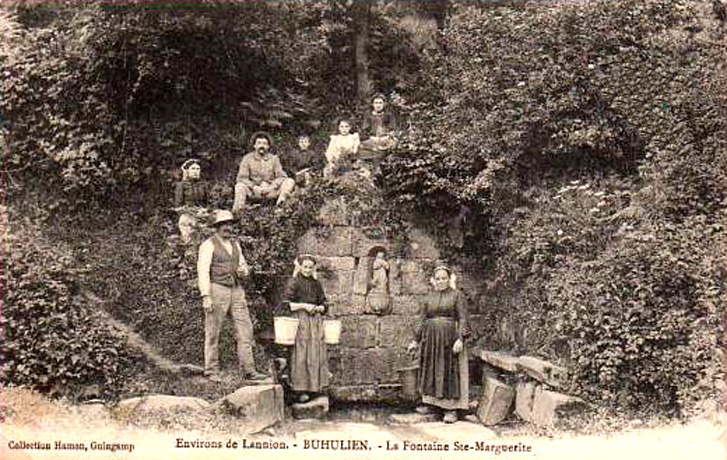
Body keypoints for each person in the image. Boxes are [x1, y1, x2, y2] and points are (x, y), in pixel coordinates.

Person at [197, 210, 268, 382]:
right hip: (217, 289)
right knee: (213, 331)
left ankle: (249, 370)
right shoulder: (208, 245)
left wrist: (244, 271)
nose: (227, 228)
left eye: (230, 225)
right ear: (217, 227)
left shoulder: (236, 245)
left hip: (236, 290)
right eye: (223, 225)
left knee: (245, 330)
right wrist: (206, 295)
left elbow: (243, 266)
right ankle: (211, 370)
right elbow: (203, 271)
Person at [408, 265, 470, 423]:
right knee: (431, 369)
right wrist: (415, 340)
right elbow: (422, 319)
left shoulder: (457, 295)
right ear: (433, 281)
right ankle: (431, 404)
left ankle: (451, 409)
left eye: (444, 278)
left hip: (450, 339)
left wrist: (460, 339)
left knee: (449, 370)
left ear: (449, 279)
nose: (441, 281)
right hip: (431, 339)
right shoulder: (429, 297)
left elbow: (463, 318)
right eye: (438, 278)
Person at [282, 255, 329, 403]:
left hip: (315, 322)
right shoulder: (294, 282)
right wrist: (303, 306)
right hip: (300, 320)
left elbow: (324, 302)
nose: (308, 270)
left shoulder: (316, 284)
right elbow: (286, 303)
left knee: (315, 352)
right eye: (305, 267)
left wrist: (320, 307)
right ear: (300, 267)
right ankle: (299, 389)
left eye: (310, 267)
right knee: (301, 353)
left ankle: (314, 388)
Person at [233, 132, 296, 213]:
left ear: (268, 146)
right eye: (259, 143)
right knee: (239, 186)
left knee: (289, 181)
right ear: (254, 146)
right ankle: (238, 212)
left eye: (264, 143)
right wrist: (254, 187)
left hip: (271, 191)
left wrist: (272, 186)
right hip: (255, 192)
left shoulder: (274, 159)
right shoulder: (247, 159)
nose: (261, 146)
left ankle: (280, 208)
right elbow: (241, 178)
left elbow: (282, 176)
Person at [174, 159, 211, 244]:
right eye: (193, 169)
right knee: (189, 240)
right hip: (187, 216)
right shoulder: (181, 185)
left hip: (202, 215)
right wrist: (188, 211)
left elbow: (207, 203)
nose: (195, 171)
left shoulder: (204, 185)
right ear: (187, 171)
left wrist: (203, 211)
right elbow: (178, 206)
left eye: (198, 169)